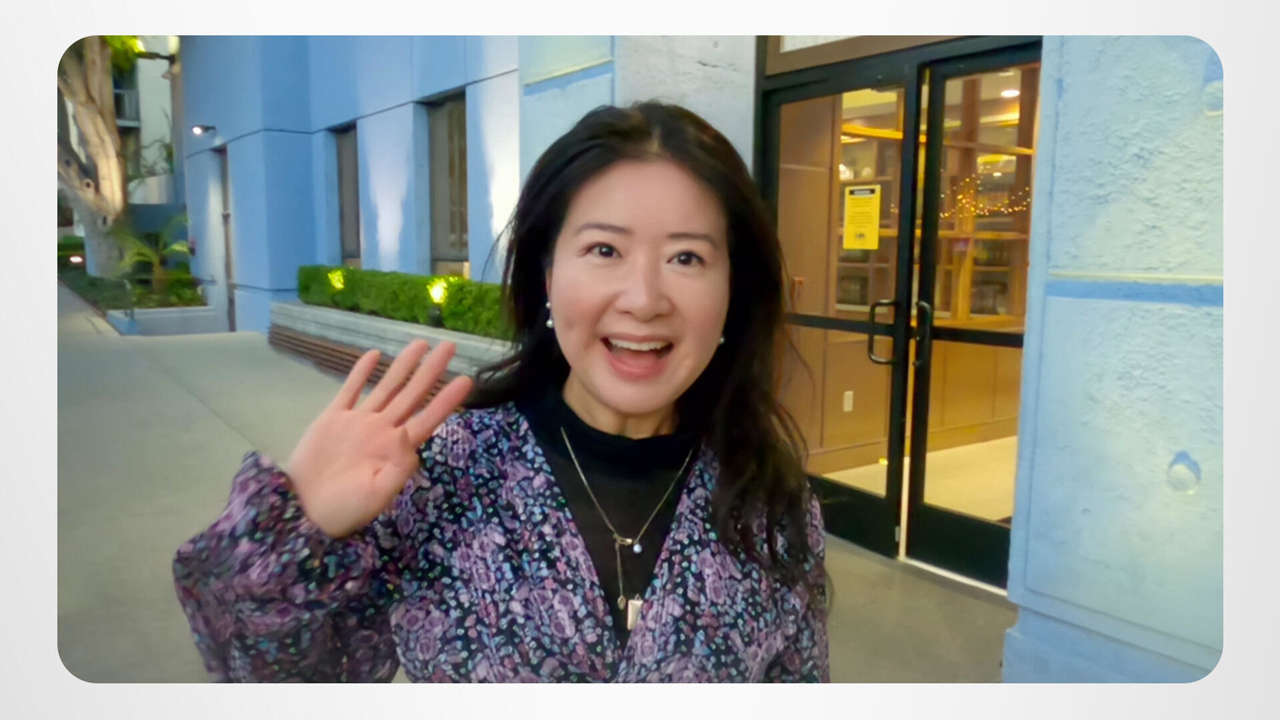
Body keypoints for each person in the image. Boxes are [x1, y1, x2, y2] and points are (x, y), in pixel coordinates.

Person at [172, 101, 830, 682]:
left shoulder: (771, 505)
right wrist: (295, 531)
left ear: (733, 291)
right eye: (605, 250)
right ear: (547, 274)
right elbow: (274, 674)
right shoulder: (439, 472)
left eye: (687, 257)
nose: (644, 299)